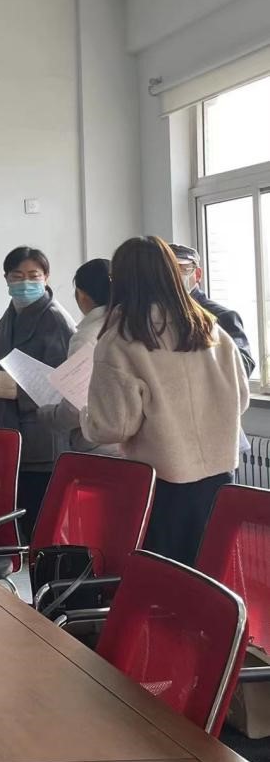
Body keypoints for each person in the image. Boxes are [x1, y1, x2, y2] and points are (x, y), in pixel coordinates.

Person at [83, 236, 248, 565]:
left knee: (165, 579)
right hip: (220, 478)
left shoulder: (121, 339)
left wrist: (87, 416)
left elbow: (114, 426)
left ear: (121, 280)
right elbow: (240, 399)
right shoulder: (211, 330)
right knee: (212, 572)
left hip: (161, 485)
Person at [0, 246, 74, 542]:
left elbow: (60, 385)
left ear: (46, 277)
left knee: (39, 522)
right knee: (14, 519)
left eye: (33, 275)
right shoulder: (11, 314)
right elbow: (11, 361)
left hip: (42, 435)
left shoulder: (55, 320)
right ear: (6, 278)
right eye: (17, 276)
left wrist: (1, 383)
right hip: (10, 430)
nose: (25, 283)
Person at [36, 258, 119, 457]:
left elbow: (75, 407)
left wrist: (47, 415)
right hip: (131, 445)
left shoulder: (86, 337)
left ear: (81, 295)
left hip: (98, 447)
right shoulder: (131, 327)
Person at [171, 243, 256, 377]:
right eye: (170, 272)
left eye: (183, 269)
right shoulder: (159, 317)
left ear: (197, 274)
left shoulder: (223, 316)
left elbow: (244, 366)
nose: (175, 277)